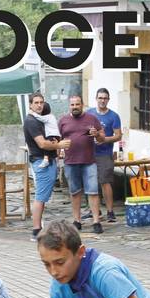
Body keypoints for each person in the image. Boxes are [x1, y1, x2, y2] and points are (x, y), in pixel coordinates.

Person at [23, 92, 71, 242]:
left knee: (43, 196)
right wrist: (60, 145)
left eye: (41, 102)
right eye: (36, 102)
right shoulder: (31, 121)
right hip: (40, 161)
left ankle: (38, 228)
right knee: (40, 197)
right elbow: (42, 144)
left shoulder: (39, 119)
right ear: (30, 104)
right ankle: (36, 230)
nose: (39, 105)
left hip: (48, 160)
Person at [58, 95, 106, 235]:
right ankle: (77, 220)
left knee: (93, 191)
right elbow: (57, 139)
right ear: (69, 106)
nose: (75, 107)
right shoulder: (63, 121)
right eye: (72, 105)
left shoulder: (92, 119)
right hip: (70, 161)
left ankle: (96, 221)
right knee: (75, 192)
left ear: (82, 105)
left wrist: (96, 134)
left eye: (77, 104)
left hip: (88, 161)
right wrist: (58, 152)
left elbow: (102, 137)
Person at [87, 87, 122, 223]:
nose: (102, 100)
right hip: (89, 153)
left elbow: (118, 135)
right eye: (100, 98)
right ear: (96, 99)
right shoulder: (89, 114)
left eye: (105, 98)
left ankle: (110, 211)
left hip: (105, 154)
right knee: (90, 182)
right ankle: (94, 211)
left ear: (108, 100)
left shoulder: (113, 116)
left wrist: (103, 139)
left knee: (105, 182)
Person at [31, 102, 61, 169]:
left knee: (46, 146)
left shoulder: (47, 117)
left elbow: (40, 118)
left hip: (52, 135)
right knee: (53, 148)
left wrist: (33, 113)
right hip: (57, 135)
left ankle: (45, 159)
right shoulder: (52, 116)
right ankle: (56, 162)